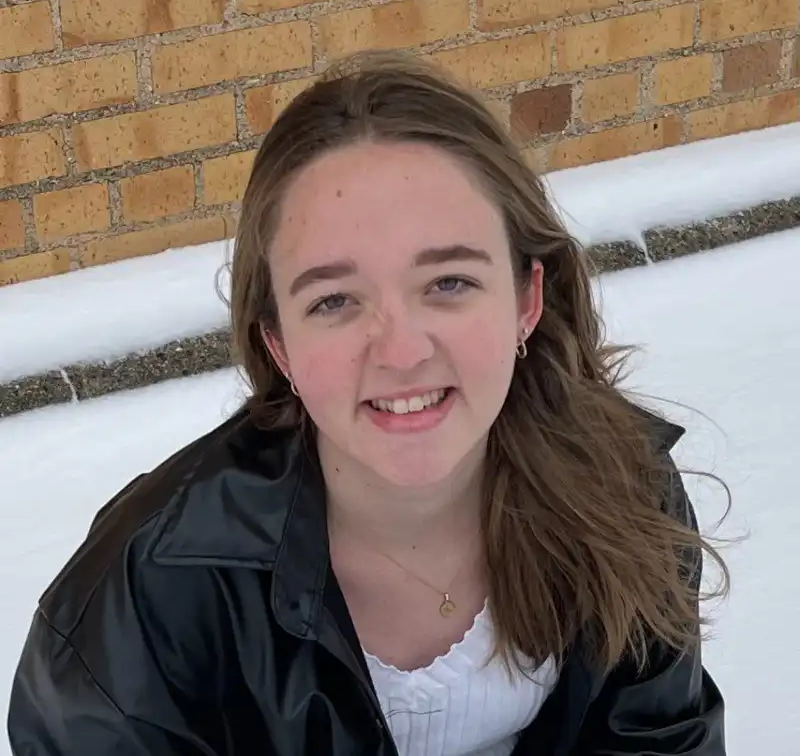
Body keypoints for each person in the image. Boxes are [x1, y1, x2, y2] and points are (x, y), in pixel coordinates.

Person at [8, 50, 728, 756]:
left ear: (526, 300)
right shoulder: (150, 596)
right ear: (279, 345)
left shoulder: (622, 491)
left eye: (448, 282)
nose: (401, 351)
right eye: (334, 300)